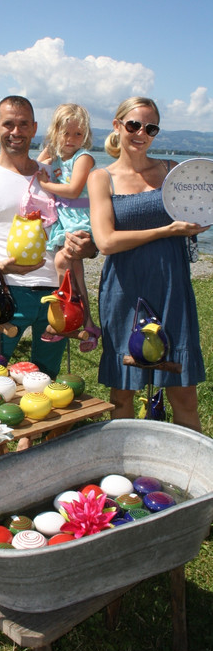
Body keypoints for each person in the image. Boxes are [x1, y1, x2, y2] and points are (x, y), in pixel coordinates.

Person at [0, 95, 96, 490]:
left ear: (34, 129)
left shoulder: (52, 174)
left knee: (45, 380)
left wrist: (85, 246)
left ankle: (27, 450)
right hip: (5, 296)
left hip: (56, 298)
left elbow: (85, 233)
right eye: (8, 124)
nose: (16, 131)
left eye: (24, 124)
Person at [87, 96, 208, 431]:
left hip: (172, 288)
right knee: (123, 393)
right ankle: (123, 475)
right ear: (117, 126)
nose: (141, 133)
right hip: (125, 290)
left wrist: (199, 222)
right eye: (134, 125)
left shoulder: (172, 170)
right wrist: (167, 230)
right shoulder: (102, 178)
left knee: (184, 396)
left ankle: (191, 475)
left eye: (150, 127)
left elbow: (200, 209)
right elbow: (106, 242)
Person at [36, 103, 100, 351]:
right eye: (66, 133)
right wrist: (49, 150)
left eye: (78, 134)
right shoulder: (57, 157)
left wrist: (46, 185)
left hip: (79, 220)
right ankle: (86, 324)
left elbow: (74, 189)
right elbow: (36, 167)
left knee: (64, 263)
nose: (72, 139)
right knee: (75, 274)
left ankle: (69, 318)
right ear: (55, 132)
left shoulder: (83, 158)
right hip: (65, 220)